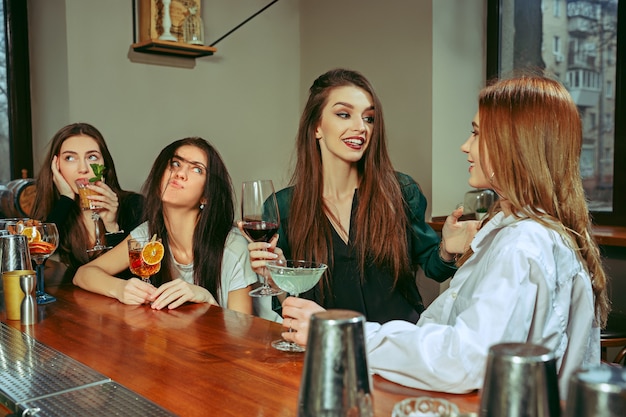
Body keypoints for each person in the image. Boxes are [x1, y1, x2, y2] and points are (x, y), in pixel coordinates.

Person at [280, 74, 610, 397]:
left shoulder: (522, 244)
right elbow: (447, 333)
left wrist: (339, 336)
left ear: (513, 145)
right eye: (343, 114)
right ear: (316, 128)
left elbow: (465, 360)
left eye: (476, 133)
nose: (465, 146)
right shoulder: (515, 231)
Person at [242, 68, 476, 324]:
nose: (360, 127)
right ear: (317, 126)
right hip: (327, 347)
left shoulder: (400, 191)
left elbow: (435, 268)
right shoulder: (282, 207)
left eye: (369, 118)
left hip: (398, 348)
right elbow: (287, 304)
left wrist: (448, 249)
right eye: (344, 114)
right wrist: (277, 276)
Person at [74, 137, 257, 315]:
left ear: (206, 196)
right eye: (176, 164)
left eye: (197, 169)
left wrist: (206, 299)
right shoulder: (148, 235)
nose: (179, 173)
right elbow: (83, 274)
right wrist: (121, 288)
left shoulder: (232, 247)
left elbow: (240, 335)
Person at [32, 123, 144, 272]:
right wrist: (66, 199)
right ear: (56, 165)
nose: (83, 169)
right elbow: (33, 265)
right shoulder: (57, 209)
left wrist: (112, 227)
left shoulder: (135, 205)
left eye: (92, 157)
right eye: (70, 158)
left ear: (104, 166)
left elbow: (137, 278)